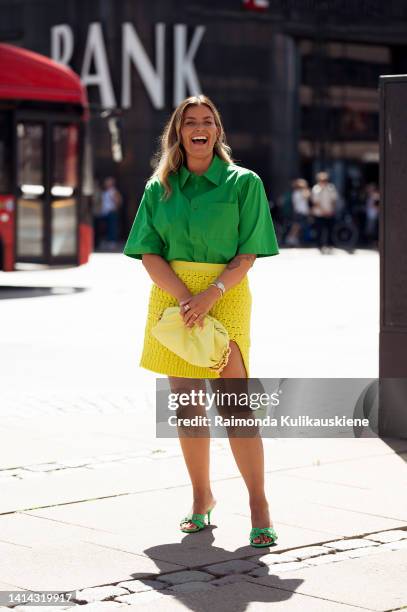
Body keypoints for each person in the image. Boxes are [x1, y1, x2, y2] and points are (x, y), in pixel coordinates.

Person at [123, 94, 280, 547]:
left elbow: (247, 253)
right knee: (188, 408)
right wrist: (184, 298)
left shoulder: (243, 183)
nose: (199, 127)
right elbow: (148, 251)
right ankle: (201, 498)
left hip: (224, 295)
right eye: (189, 121)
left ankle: (258, 503)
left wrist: (210, 295)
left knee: (236, 407)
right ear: (178, 132)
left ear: (217, 131)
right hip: (173, 299)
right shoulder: (160, 187)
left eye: (207, 121)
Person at [310, 171, 338, 253]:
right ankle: (320, 246)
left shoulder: (331, 187)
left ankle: (330, 245)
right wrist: (324, 211)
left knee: (330, 230)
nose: (323, 182)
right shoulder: (316, 188)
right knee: (319, 230)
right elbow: (315, 202)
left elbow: (334, 200)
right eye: (322, 180)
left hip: (330, 213)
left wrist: (331, 210)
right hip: (319, 213)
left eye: (325, 180)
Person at [285, 178, 311, 246]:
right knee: (296, 226)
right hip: (300, 212)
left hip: (299, 212)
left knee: (298, 226)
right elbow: (307, 196)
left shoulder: (296, 193)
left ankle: (293, 238)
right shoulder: (298, 193)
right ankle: (291, 238)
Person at [101, 177, 122, 249]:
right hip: (105, 212)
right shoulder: (106, 191)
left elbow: (118, 200)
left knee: (112, 227)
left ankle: (112, 242)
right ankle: (108, 241)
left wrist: (115, 207)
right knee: (107, 227)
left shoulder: (113, 191)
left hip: (111, 211)